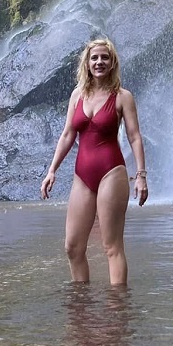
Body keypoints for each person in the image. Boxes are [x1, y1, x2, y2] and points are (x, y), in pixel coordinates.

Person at [40, 38, 148, 284]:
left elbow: (134, 137)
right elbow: (68, 134)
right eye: (94, 58)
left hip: (111, 171)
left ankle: (117, 310)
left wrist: (141, 176)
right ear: (87, 64)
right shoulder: (77, 95)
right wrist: (52, 170)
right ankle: (81, 305)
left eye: (105, 58)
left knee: (112, 247)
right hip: (82, 176)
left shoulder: (122, 97)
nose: (99, 62)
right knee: (72, 247)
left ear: (112, 63)